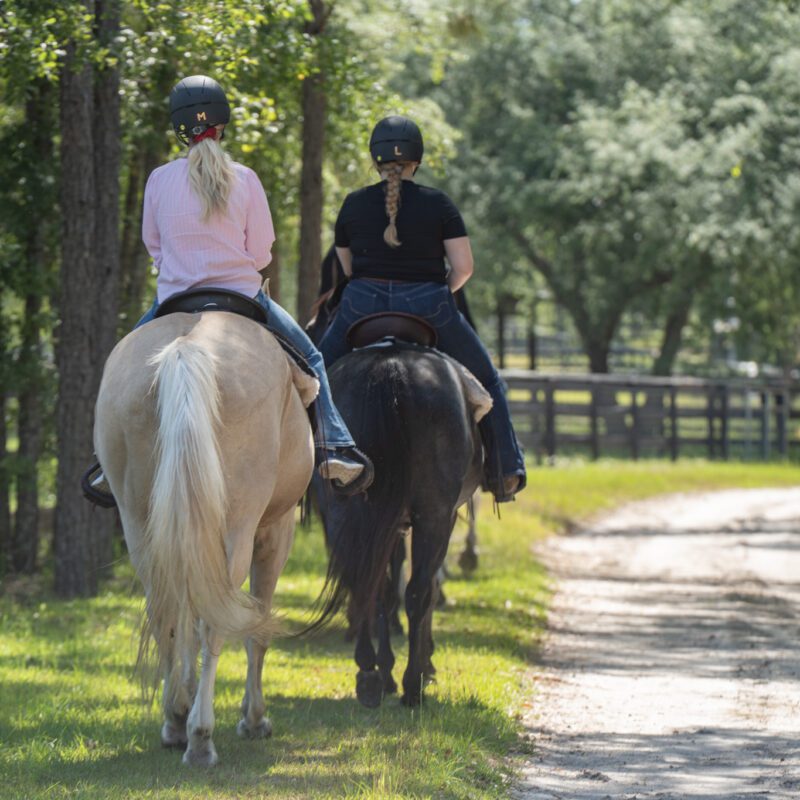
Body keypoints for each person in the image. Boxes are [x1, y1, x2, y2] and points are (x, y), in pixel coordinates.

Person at [91, 75, 372, 498]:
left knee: (120, 366)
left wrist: (180, 271)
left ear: (178, 128)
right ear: (222, 124)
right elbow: (261, 253)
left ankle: (103, 463)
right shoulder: (244, 178)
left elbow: (155, 248)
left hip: (173, 300)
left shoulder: (158, 180)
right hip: (242, 299)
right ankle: (336, 447)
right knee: (311, 358)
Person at [318, 115, 526, 502]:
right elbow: (464, 268)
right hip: (428, 304)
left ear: (375, 159)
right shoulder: (439, 204)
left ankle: (308, 472)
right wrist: (438, 293)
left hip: (362, 303)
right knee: (490, 380)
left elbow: (346, 268)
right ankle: (505, 469)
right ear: (418, 159)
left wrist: (375, 285)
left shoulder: (353, 204)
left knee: (314, 378)